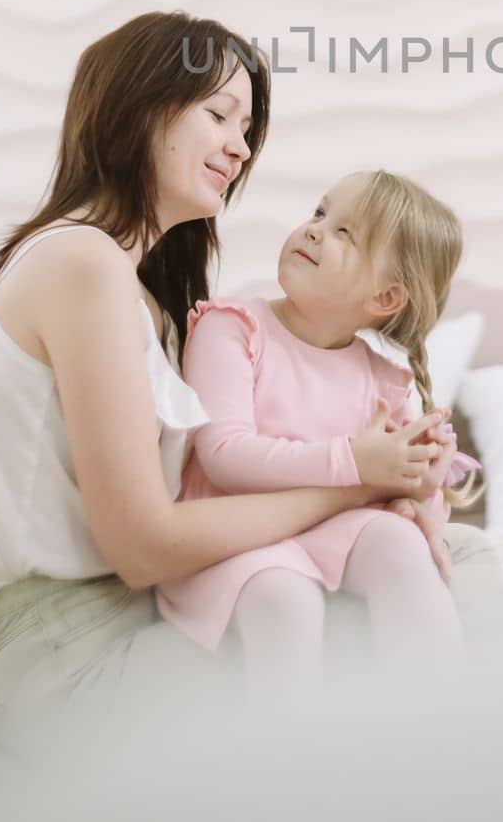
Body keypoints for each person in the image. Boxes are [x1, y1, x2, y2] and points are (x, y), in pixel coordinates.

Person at [0, 11, 439, 753]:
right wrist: (353, 481)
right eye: (219, 115)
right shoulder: (82, 266)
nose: (240, 148)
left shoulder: (145, 294)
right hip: (52, 646)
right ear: (139, 109)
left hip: (130, 611)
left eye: (247, 129)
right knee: (408, 621)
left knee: (440, 568)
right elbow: (144, 546)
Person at [156, 169, 482, 691]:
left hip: (327, 533)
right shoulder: (232, 328)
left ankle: (438, 728)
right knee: (283, 597)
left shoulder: (383, 379)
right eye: (320, 213)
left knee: (400, 545)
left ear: (385, 299)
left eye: (345, 234)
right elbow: (223, 454)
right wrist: (353, 460)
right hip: (236, 538)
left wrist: (422, 487)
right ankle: (298, 760)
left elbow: (398, 502)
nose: (314, 230)